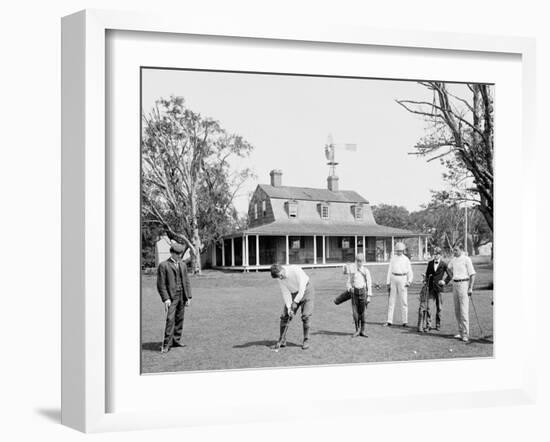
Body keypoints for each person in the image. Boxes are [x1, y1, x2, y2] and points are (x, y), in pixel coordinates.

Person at [156, 243, 193, 353]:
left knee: (179, 319)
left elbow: (186, 281)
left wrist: (189, 297)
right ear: (171, 253)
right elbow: (161, 284)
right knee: (170, 320)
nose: (179, 256)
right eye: (177, 254)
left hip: (182, 295)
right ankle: (166, 344)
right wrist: (165, 298)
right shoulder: (164, 265)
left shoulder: (183, 265)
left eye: (180, 254)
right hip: (171, 297)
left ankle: (176, 341)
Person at [270, 264, 315, 350]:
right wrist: (289, 307)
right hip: (293, 293)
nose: (280, 278)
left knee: (306, 316)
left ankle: (306, 340)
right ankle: (282, 340)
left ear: (282, 269)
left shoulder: (295, 270)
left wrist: (295, 302)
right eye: (278, 277)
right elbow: (285, 293)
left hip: (307, 290)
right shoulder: (280, 278)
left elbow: (302, 289)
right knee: (285, 316)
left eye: (280, 276)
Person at [334, 253, 372, 337]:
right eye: (358, 261)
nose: (359, 263)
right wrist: (349, 288)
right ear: (356, 261)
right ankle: (357, 330)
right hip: (354, 293)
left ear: (363, 261)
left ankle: (362, 330)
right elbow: (349, 282)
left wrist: (369, 296)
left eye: (361, 261)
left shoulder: (366, 271)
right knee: (355, 313)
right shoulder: (353, 271)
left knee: (363, 312)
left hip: (363, 293)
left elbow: (369, 284)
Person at [445, 244, 476, 342]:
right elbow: (448, 268)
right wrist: (451, 275)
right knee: (457, 310)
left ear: (461, 250)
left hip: (464, 284)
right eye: (453, 250)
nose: (454, 252)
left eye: (456, 250)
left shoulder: (466, 259)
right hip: (455, 284)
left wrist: (470, 288)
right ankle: (460, 332)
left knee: (463, 310)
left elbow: (472, 274)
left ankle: (465, 334)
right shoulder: (453, 260)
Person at [384, 242, 413, 327]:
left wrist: (409, 281)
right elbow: (389, 270)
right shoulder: (393, 258)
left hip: (403, 279)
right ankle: (389, 320)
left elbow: (410, 272)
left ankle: (405, 321)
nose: (399, 252)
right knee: (391, 301)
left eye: (400, 251)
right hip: (393, 278)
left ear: (403, 250)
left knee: (404, 301)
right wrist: (388, 282)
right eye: (397, 250)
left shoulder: (406, 259)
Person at [423, 247, 451, 331]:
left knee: (439, 308)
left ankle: (438, 324)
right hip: (431, 288)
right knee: (428, 307)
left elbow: (450, 275)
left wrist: (445, 282)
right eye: (434, 254)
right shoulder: (430, 263)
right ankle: (428, 325)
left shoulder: (444, 264)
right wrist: (425, 279)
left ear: (440, 255)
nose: (435, 255)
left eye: (437, 254)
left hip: (439, 289)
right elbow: (427, 275)